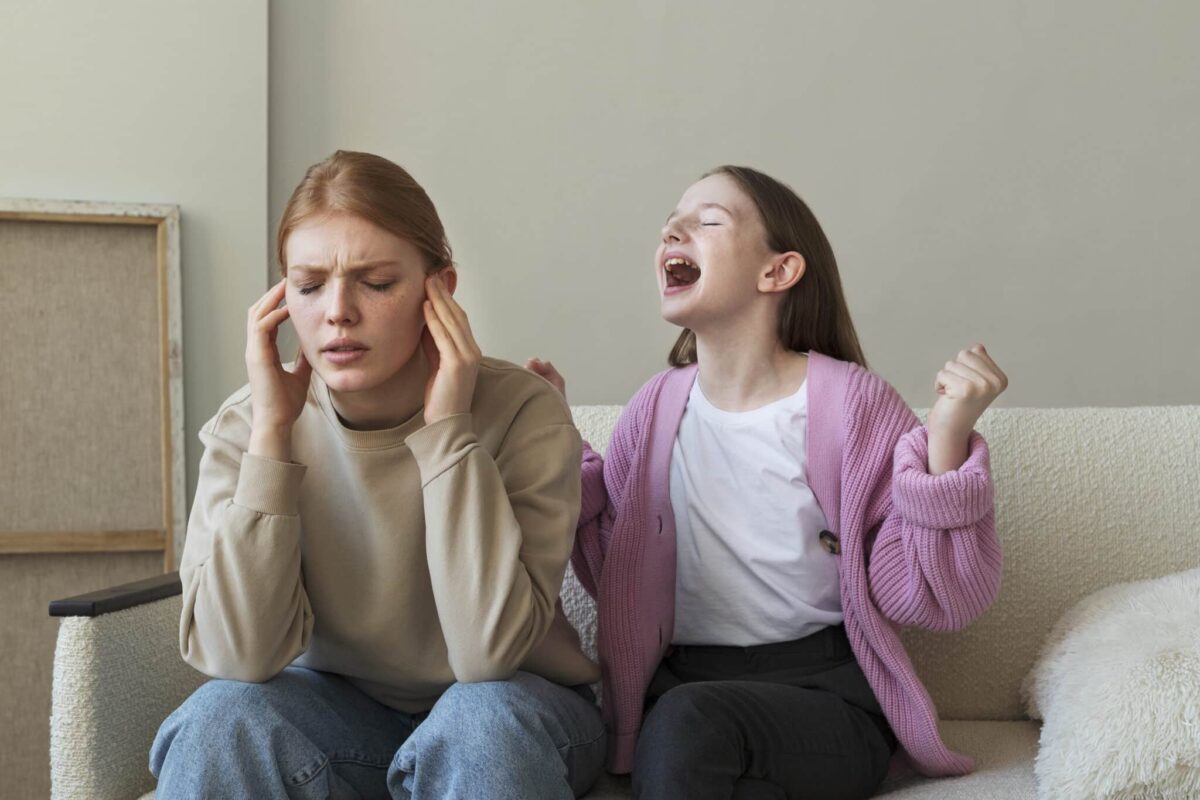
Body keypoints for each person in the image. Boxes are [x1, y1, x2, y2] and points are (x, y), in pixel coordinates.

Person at [528, 165, 1008, 799]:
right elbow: (613, 569)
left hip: (825, 698)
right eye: (670, 222)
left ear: (777, 272)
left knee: (685, 726)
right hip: (684, 694)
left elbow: (933, 600)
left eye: (706, 221)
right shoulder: (652, 411)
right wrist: (555, 444)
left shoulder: (852, 405)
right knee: (690, 733)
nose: (673, 229)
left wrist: (946, 438)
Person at [150, 150, 605, 799]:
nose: (337, 311)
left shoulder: (523, 412)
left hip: (516, 709)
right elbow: (238, 658)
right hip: (336, 714)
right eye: (309, 286)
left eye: (376, 281)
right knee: (218, 720)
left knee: (479, 723)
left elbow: (487, 656)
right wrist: (272, 443)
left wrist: (447, 428)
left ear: (439, 289)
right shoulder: (248, 426)